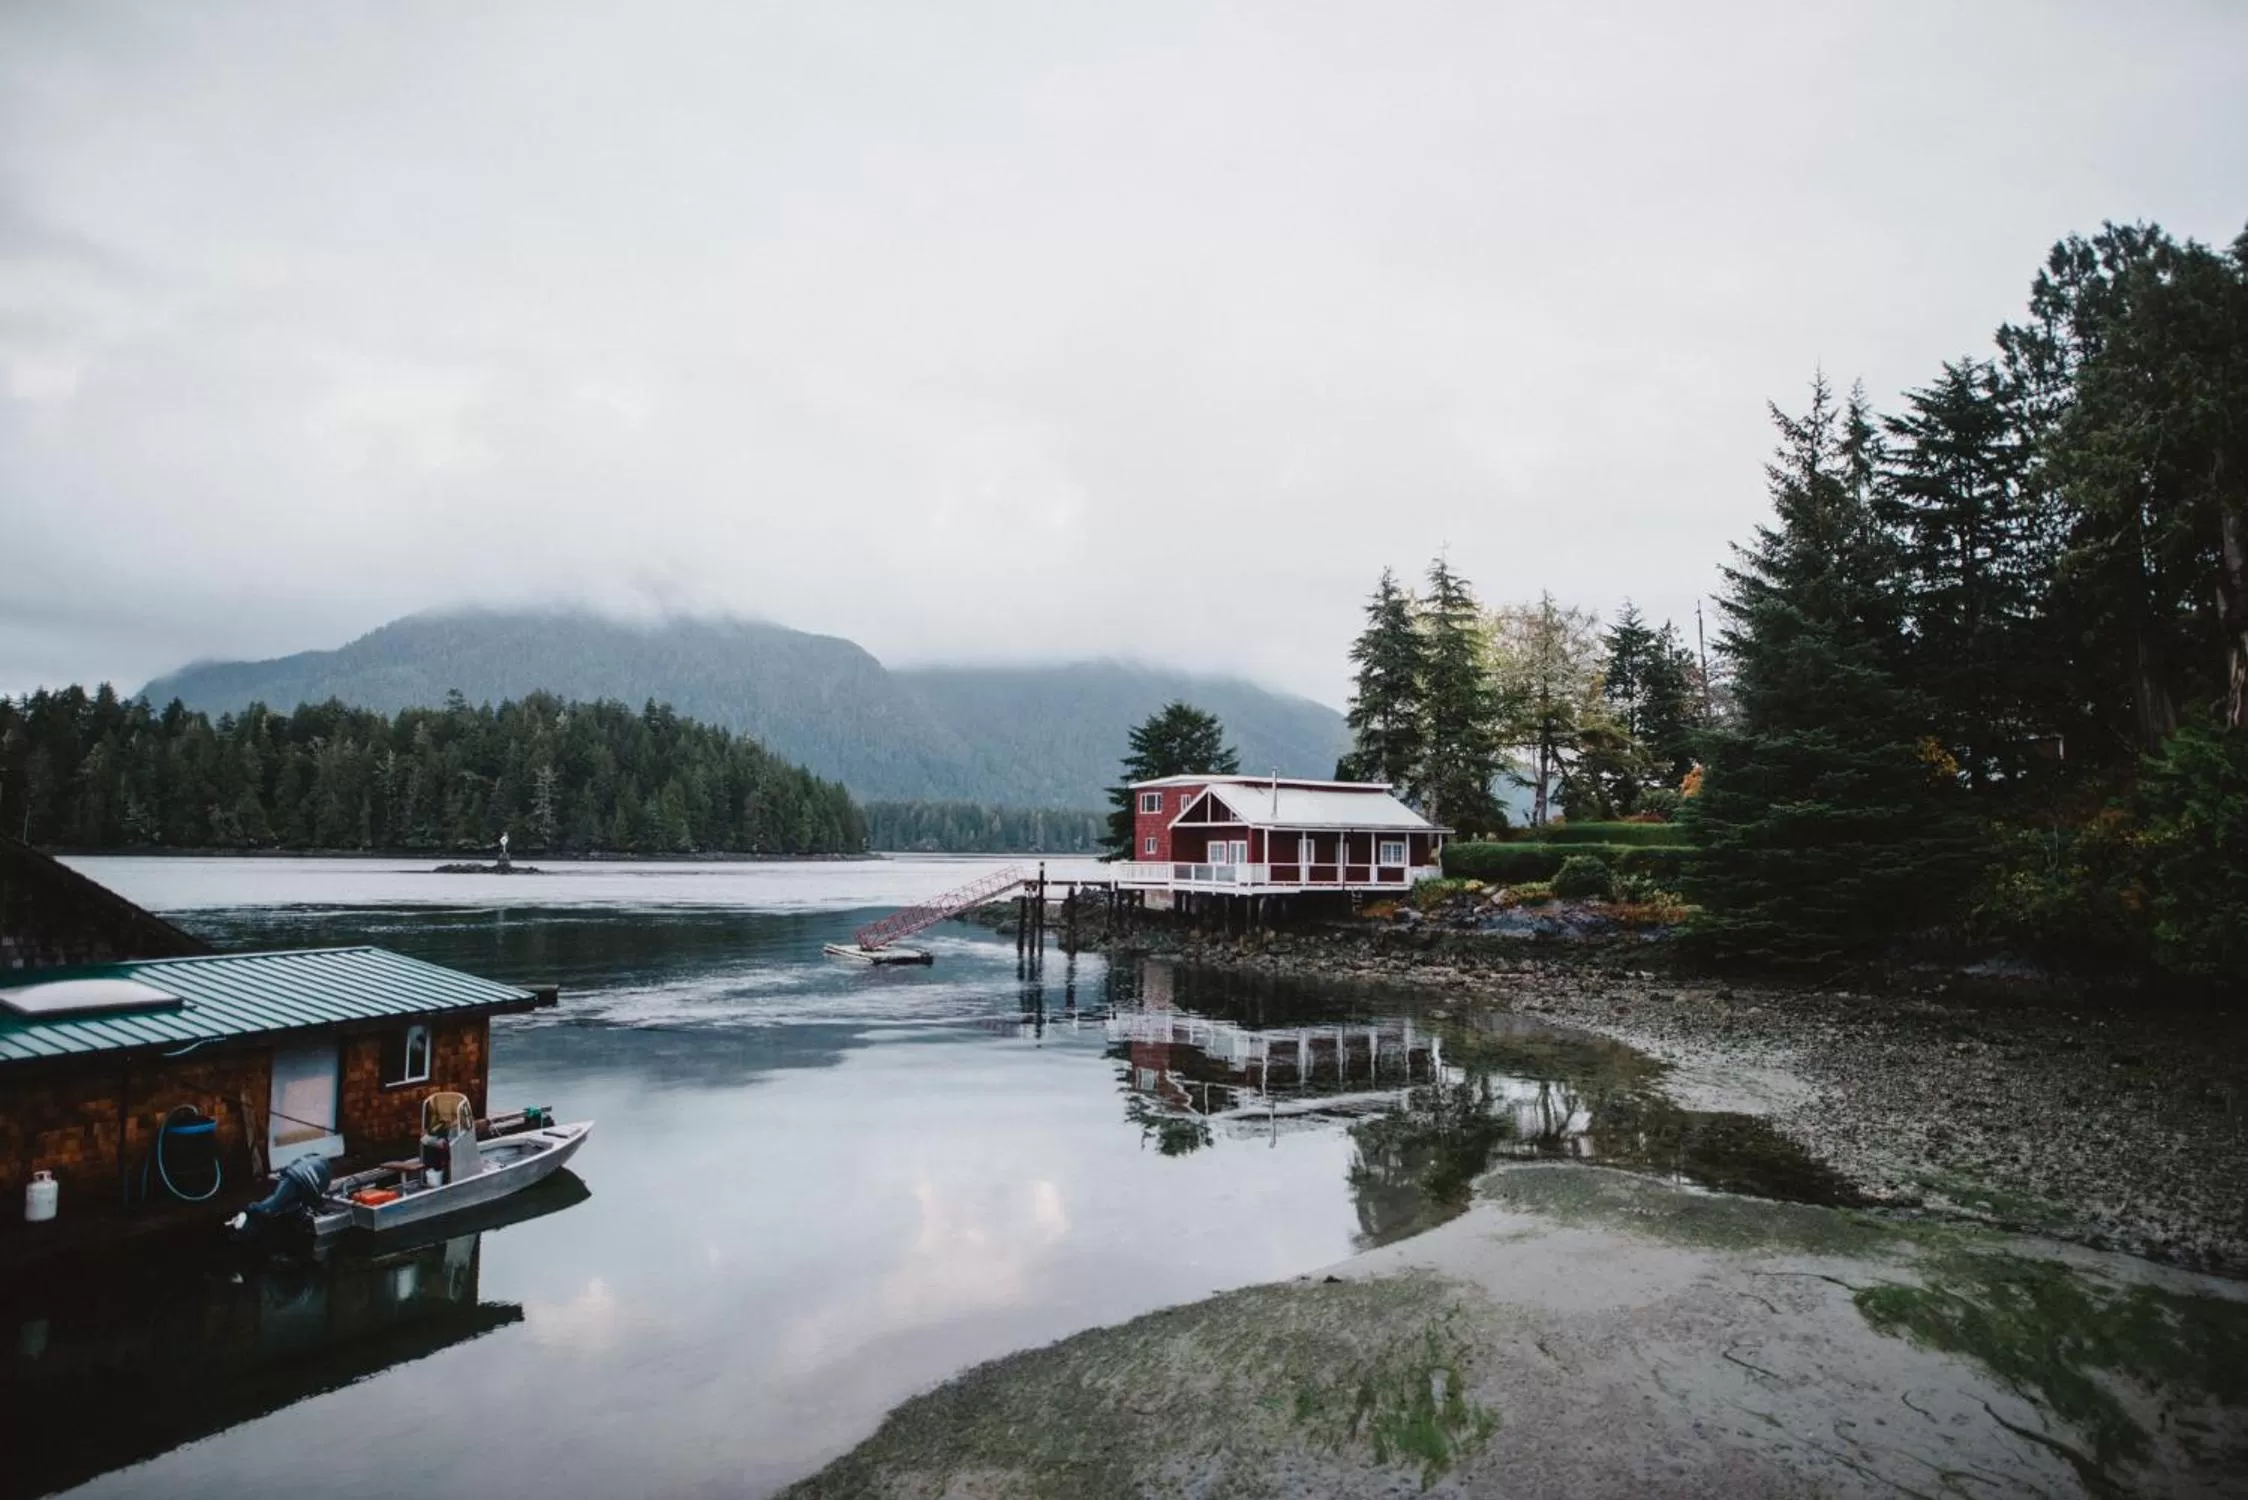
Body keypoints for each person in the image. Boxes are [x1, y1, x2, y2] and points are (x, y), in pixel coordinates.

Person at [226, 1152, 331, 1234]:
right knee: (271, 1207)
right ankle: (246, 1218)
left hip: (295, 1178)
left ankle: (246, 1220)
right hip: (294, 1179)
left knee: (277, 1207)